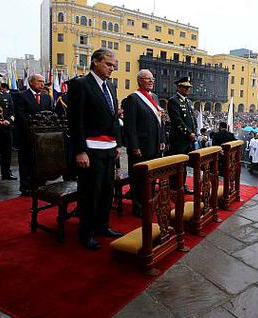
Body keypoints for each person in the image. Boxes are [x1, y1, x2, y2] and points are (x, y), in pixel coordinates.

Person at [68, 48, 124, 251]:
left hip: (109, 149)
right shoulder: (80, 84)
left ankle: (102, 226)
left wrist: (116, 143)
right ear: (95, 62)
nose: (112, 68)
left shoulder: (111, 86)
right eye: (108, 64)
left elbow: (113, 118)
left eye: (113, 65)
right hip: (90, 150)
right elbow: (75, 121)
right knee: (91, 193)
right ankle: (86, 233)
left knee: (106, 192)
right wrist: (80, 150)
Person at [122, 69, 166, 217]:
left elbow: (160, 122)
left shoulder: (154, 97)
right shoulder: (133, 99)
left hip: (154, 145)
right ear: (140, 80)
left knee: (151, 177)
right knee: (138, 179)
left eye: (152, 79)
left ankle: (150, 203)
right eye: (148, 79)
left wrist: (162, 141)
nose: (151, 81)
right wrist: (134, 146)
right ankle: (138, 207)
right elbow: (130, 126)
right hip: (140, 147)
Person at [13, 74, 53, 195]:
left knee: (40, 160)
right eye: (39, 82)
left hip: (42, 137)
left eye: (43, 81)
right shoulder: (21, 96)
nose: (42, 84)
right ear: (31, 83)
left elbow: (50, 114)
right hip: (26, 136)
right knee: (26, 161)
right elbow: (21, 116)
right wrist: (33, 129)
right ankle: (26, 187)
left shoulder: (46, 97)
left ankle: (40, 184)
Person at [166, 76, 197, 194]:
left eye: (188, 87)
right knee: (177, 164)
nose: (187, 89)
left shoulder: (188, 101)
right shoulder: (173, 101)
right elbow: (177, 120)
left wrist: (194, 131)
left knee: (184, 165)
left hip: (188, 140)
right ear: (178, 87)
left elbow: (192, 119)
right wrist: (189, 133)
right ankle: (174, 186)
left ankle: (182, 185)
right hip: (179, 139)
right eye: (185, 87)